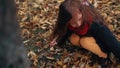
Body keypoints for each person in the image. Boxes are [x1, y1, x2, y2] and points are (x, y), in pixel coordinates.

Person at [49, 0, 120, 67]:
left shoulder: (96, 23)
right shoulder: (68, 22)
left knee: (85, 42)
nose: (78, 24)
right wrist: (58, 40)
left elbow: (112, 43)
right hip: (84, 34)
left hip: (98, 39)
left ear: (82, 12)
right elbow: (65, 31)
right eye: (73, 23)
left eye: (80, 19)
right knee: (74, 39)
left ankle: (103, 55)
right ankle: (87, 47)